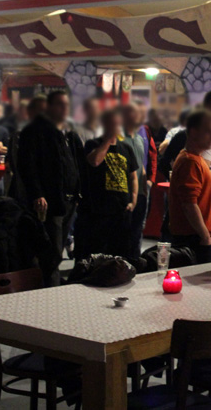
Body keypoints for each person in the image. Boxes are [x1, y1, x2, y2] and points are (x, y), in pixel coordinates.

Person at [17, 90, 83, 286]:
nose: (65, 109)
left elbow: (75, 163)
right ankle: (47, 287)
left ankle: (50, 283)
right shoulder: (34, 131)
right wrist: (37, 194)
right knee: (50, 250)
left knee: (59, 247)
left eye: (67, 104)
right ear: (50, 107)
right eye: (60, 104)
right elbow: (27, 166)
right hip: (50, 200)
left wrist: (79, 191)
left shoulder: (68, 133)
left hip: (69, 199)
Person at [74, 109, 138, 260]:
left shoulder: (126, 148)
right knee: (97, 253)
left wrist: (133, 200)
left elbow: (133, 177)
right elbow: (95, 161)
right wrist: (108, 140)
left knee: (120, 252)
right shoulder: (92, 144)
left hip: (121, 210)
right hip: (99, 211)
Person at [169, 109, 211, 264]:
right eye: (208, 132)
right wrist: (205, 236)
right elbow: (189, 205)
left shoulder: (194, 158)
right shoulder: (190, 161)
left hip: (195, 235)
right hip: (194, 237)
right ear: (193, 132)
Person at [122, 102, 151, 257]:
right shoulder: (119, 138)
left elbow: (141, 163)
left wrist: (145, 189)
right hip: (125, 193)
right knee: (125, 234)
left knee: (137, 232)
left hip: (140, 193)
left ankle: (134, 261)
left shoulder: (139, 138)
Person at [6, 95, 46, 203]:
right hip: (28, 194)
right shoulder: (22, 134)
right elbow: (21, 166)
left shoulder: (51, 134)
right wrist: (36, 193)